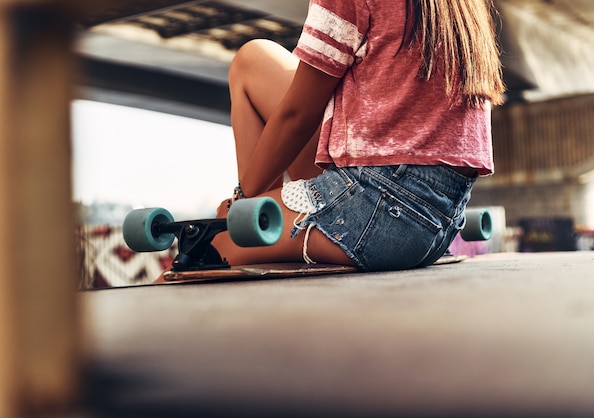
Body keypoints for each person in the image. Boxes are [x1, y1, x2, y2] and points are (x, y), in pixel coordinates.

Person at [211, 0, 506, 271]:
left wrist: (236, 207)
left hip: (379, 208)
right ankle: (262, 221)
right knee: (252, 60)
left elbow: (296, 117)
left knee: (214, 246)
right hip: (443, 217)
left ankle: (255, 227)